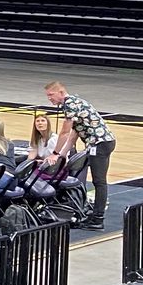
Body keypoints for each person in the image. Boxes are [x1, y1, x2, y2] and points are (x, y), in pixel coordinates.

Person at [47, 81, 115, 229]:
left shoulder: (69, 104)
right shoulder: (76, 101)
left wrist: (55, 153)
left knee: (99, 182)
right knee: (99, 182)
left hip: (99, 144)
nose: (49, 99)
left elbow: (65, 132)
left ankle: (98, 219)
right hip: (104, 142)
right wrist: (63, 154)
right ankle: (96, 215)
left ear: (60, 92)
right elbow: (75, 133)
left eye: (51, 95)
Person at [29, 112, 69, 183]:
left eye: (43, 121)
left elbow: (58, 161)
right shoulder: (36, 140)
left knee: (29, 176)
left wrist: (38, 162)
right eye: (37, 121)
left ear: (48, 124)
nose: (40, 123)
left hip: (55, 171)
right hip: (44, 168)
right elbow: (30, 159)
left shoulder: (53, 139)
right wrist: (34, 161)